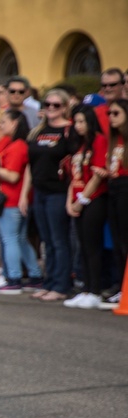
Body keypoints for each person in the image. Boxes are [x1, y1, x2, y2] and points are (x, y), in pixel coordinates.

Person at [21, 88, 74, 302]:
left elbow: (74, 166)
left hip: (59, 192)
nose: (51, 108)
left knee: (59, 240)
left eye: (56, 105)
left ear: (64, 107)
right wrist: (24, 195)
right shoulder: (37, 132)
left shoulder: (69, 132)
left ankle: (61, 285)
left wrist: (72, 195)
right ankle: (50, 282)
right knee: (47, 241)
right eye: (47, 104)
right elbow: (29, 166)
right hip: (40, 191)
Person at [0, 109, 43, 295]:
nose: (1, 125)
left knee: (10, 239)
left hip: (11, 199)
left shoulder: (17, 146)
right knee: (19, 239)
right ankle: (34, 275)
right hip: (16, 199)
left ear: (15, 123)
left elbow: (12, 175)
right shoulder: (16, 144)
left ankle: (14, 278)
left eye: (4, 121)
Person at [63, 105, 109, 309]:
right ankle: (86, 288)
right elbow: (73, 177)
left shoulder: (99, 140)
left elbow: (97, 176)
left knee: (92, 246)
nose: (79, 126)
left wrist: (81, 201)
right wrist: (70, 202)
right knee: (81, 246)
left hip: (93, 199)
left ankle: (95, 290)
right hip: (77, 199)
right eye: (76, 122)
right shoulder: (79, 145)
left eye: (82, 121)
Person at [101, 98, 128, 310]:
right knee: (118, 241)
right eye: (109, 113)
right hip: (113, 187)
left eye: (116, 113)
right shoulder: (113, 139)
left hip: (125, 188)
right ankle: (120, 286)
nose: (111, 117)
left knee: (125, 241)